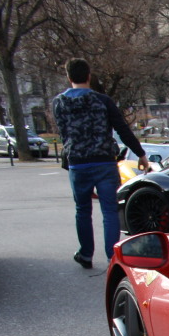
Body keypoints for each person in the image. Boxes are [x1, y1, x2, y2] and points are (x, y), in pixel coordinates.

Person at [52, 58, 149, 269]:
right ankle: (111, 257)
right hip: (104, 161)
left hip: (77, 163)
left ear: (69, 78)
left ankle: (86, 254)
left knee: (82, 209)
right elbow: (122, 130)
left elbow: (63, 132)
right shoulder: (103, 101)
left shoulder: (59, 103)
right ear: (88, 76)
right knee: (109, 210)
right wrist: (140, 154)